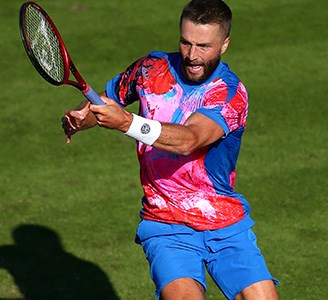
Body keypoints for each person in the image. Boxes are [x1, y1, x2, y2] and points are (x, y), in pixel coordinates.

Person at [61, 0, 279, 299]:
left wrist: (126, 122)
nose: (192, 55)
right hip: (165, 223)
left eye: (204, 46)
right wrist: (81, 118)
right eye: (185, 42)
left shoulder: (229, 93)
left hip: (225, 221)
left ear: (224, 44)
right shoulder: (149, 69)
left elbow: (189, 139)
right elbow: (104, 103)